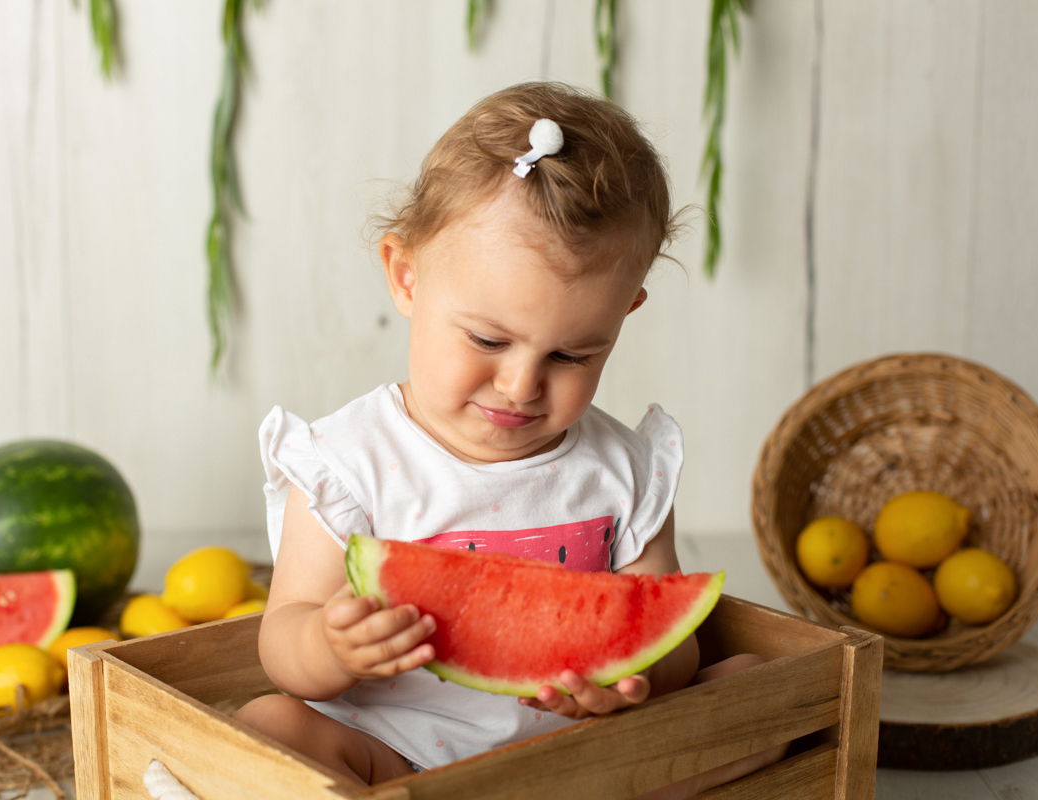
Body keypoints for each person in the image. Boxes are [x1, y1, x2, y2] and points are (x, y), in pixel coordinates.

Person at [234, 82, 784, 797]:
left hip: (583, 758)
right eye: (489, 340)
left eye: (572, 355)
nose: (521, 386)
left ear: (625, 313)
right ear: (406, 276)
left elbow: (674, 643)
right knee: (268, 726)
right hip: (395, 756)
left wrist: (634, 679)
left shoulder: (625, 469)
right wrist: (328, 646)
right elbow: (283, 639)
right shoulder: (347, 463)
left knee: (762, 687)